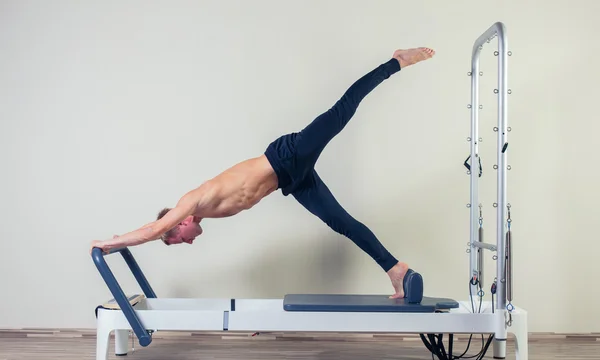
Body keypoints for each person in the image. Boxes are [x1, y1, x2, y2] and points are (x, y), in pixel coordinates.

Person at [90, 47, 435, 298]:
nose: (191, 241)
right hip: (291, 179)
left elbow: (153, 230)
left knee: (342, 111)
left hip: (286, 155)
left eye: (183, 238)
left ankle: (396, 61)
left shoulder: (193, 200)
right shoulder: (207, 214)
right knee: (342, 222)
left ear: (179, 223)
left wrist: (110, 242)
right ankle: (396, 270)